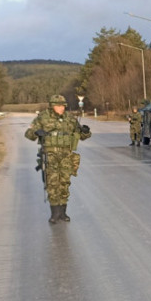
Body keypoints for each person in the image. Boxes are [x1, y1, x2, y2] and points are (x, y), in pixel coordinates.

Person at [25, 94, 91, 223]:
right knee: (52, 183)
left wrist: (85, 131)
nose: (61, 108)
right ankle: (54, 213)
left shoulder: (70, 119)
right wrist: (36, 132)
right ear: (52, 106)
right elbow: (28, 134)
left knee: (65, 183)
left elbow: (83, 135)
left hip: (66, 155)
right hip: (50, 156)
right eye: (58, 106)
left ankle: (63, 212)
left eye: (63, 105)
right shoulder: (42, 118)